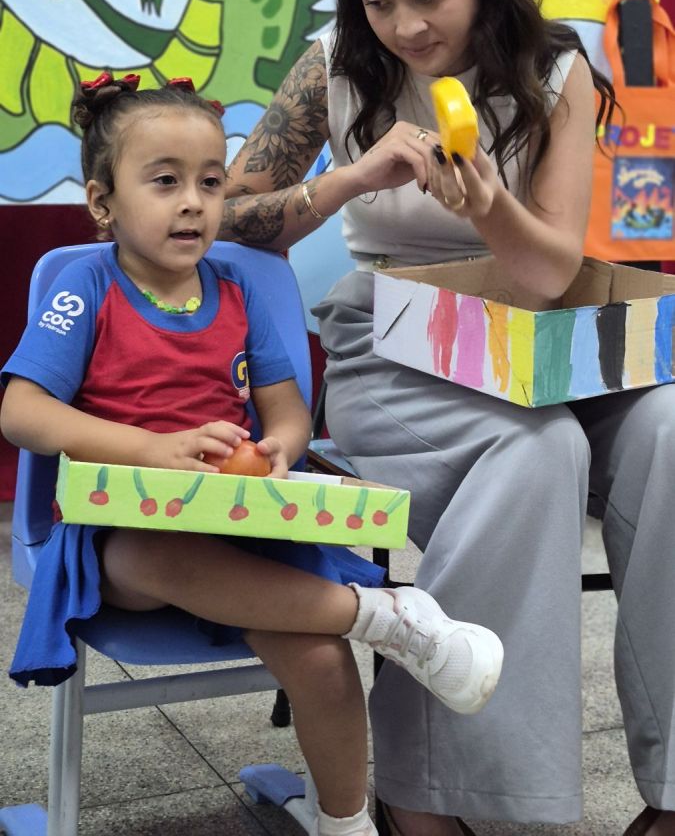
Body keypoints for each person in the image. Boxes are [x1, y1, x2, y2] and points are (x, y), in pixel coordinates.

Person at [220, 0, 675, 836]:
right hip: (395, 338)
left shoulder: (557, 71)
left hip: (535, 332)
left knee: (670, 430)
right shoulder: (338, 66)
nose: (406, 26)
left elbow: (550, 271)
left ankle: (674, 792)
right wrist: (351, 178)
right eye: (378, 1)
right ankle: (435, 793)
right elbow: (225, 219)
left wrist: (489, 206)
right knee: (537, 448)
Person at [1, 74, 504, 836]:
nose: (194, 203)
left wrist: (278, 448)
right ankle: (386, 617)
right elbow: (21, 411)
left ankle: (345, 824)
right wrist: (151, 449)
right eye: (165, 182)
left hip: (241, 528)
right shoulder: (87, 285)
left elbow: (286, 413)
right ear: (103, 202)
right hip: (125, 539)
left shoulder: (236, 289)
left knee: (323, 661)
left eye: (210, 182)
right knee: (149, 555)